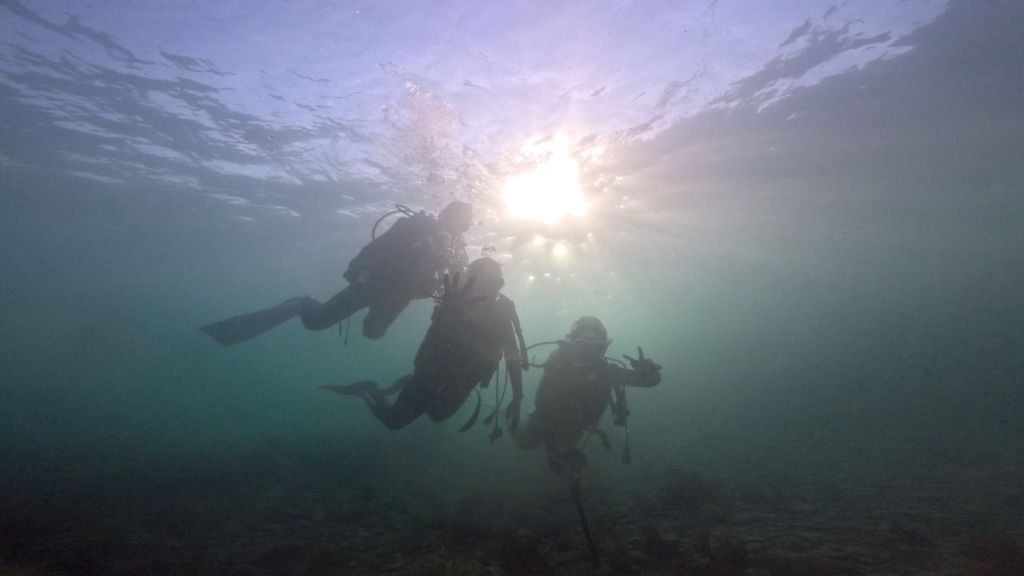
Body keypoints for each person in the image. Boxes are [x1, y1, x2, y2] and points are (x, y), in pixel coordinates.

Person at [200, 201, 473, 346]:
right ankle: (300, 304)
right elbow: (382, 249)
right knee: (317, 322)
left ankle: (307, 308)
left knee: (373, 333)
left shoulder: (455, 248)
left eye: (463, 225)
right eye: (456, 220)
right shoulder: (417, 226)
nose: (457, 228)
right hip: (372, 285)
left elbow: (457, 281)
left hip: (398, 297)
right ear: (444, 214)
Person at [321, 257, 526, 431]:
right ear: (472, 280)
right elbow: (440, 333)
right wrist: (449, 313)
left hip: (464, 379)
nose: (492, 288)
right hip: (433, 370)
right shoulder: (456, 300)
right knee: (393, 421)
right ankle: (366, 390)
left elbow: (512, 354)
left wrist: (517, 396)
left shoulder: (502, 312)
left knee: (437, 416)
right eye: (486, 281)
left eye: (496, 283)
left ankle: (407, 385)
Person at [513, 316, 662, 477]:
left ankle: (558, 449)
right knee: (524, 444)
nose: (588, 352)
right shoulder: (558, 364)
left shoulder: (608, 372)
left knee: (565, 463)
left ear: (604, 349)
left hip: (576, 426)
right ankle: (512, 419)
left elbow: (649, 381)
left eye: (596, 347)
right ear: (571, 345)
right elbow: (541, 399)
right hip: (545, 420)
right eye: (581, 345)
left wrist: (649, 373)